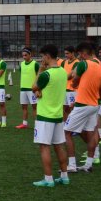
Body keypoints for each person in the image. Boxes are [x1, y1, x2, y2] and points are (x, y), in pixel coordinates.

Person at [31, 44, 70, 187]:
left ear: (47, 56)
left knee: (44, 147)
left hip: (45, 115)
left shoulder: (47, 74)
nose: (42, 59)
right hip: (58, 115)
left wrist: (40, 70)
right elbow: (47, 90)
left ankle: (48, 179)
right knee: (59, 146)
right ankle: (64, 176)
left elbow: (33, 87)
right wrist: (39, 92)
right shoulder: (62, 72)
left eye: (42, 56)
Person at [63, 42, 101, 173]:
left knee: (67, 132)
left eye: (80, 53)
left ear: (84, 52)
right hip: (94, 105)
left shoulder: (83, 64)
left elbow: (75, 81)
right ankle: (88, 164)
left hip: (83, 105)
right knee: (91, 133)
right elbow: (100, 87)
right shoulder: (99, 65)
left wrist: (75, 82)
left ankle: (72, 165)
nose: (79, 56)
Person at [16, 47, 39, 129]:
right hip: (23, 89)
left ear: (30, 55)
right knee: (24, 107)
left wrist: (37, 89)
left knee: (34, 107)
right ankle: (24, 123)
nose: (24, 57)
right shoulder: (21, 64)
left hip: (32, 89)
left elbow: (38, 76)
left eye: (26, 55)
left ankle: (37, 124)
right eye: (23, 55)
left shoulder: (35, 64)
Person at [59, 46, 79, 121]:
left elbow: (70, 76)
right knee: (65, 109)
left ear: (73, 53)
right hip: (64, 89)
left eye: (67, 53)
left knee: (73, 109)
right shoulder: (64, 62)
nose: (66, 55)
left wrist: (61, 78)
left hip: (72, 90)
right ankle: (65, 126)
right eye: (65, 53)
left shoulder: (77, 63)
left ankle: (73, 128)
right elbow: (60, 72)